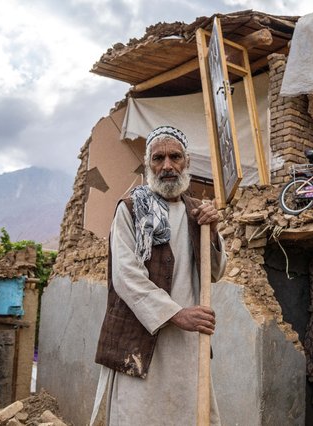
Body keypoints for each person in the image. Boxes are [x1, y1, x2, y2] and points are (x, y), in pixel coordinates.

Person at [90, 126, 226, 426]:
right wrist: (176, 314)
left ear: (186, 162)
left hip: (187, 345)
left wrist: (213, 231)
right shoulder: (130, 210)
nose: (167, 166)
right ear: (148, 164)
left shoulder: (198, 214)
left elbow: (215, 272)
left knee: (189, 415)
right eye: (158, 158)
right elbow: (125, 276)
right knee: (137, 416)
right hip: (140, 340)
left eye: (174, 157)